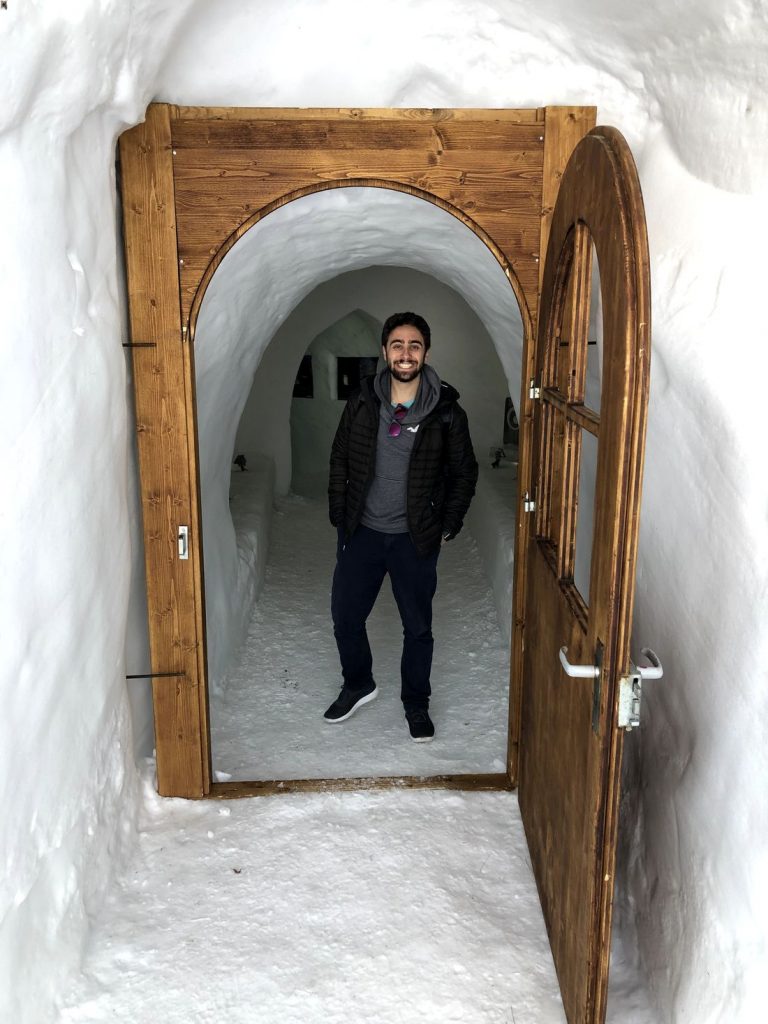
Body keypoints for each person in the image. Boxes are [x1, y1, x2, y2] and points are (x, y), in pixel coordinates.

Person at [325, 311, 478, 741]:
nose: (405, 353)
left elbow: (465, 472)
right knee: (345, 616)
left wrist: (447, 522)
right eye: (397, 344)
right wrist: (340, 511)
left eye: (414, 345)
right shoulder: (362, 401)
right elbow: (339, 457)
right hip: (363, 532)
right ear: (385, 351)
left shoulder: (446, 411)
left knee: (418, 627)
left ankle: (416, 702)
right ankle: (358, 683)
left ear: (425, 352)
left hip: (415, 537)